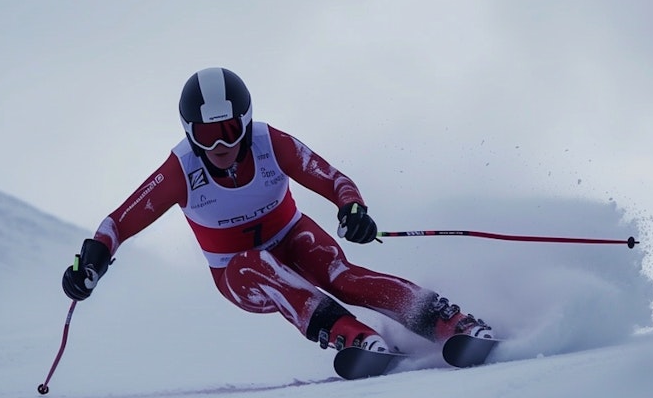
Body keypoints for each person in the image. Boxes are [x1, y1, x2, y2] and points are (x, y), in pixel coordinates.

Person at [62, 67, 492, 358]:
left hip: (293, 237)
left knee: (341, 276)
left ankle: (447, 321)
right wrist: (91, 262)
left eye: (228, 131)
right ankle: (351, 336)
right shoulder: (180, 170)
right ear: (189, 133)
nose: (220, 147)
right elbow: (116, 223)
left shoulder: (270, 143)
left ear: (246, 122)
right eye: (206, 136)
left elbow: (335, 181)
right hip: (240, 274)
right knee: (254, 263)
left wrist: (353, 210)